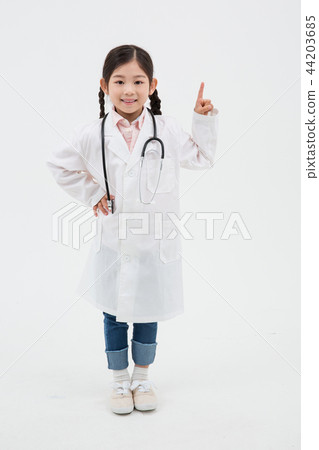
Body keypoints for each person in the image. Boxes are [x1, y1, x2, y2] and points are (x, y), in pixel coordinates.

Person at [46, 44, 220, 415]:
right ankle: (119, 382)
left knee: (148, 312)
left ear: (152, 85)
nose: (129, 90)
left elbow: (202, 158)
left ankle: (142, 377)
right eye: (120, 81)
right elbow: (58, 165)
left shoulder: (167, 129)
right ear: (104, 85)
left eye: (138, 81)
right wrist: (93, 192)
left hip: (155, 243)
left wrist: (201, 120)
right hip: (114, 242)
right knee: (112, 313)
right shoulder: (92, 133)